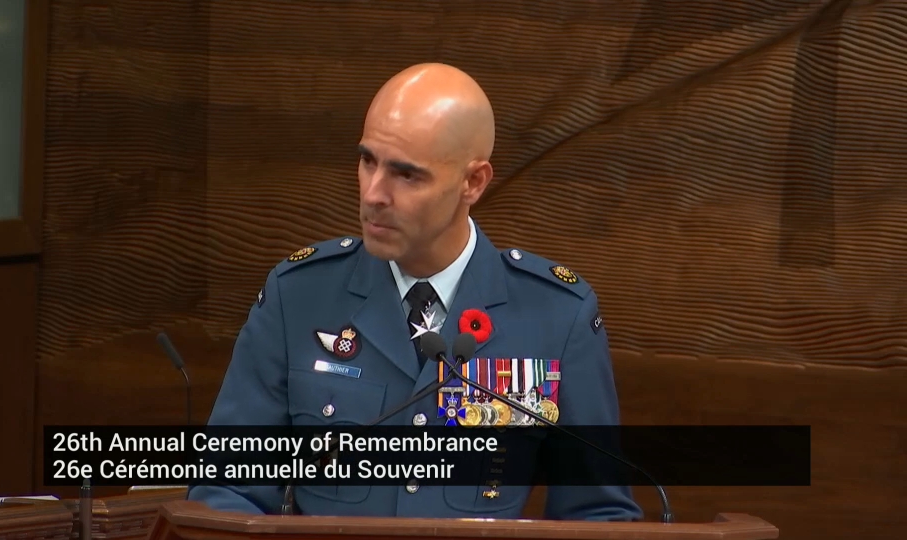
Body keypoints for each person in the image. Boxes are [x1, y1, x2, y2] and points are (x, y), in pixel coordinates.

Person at [187, 63, 642, 521]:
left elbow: (597, 514)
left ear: (473, 182)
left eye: (406, 174)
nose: (374, 194)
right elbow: (227, 489)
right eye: (368, 161)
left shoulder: (556, 316)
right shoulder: (300, 295)